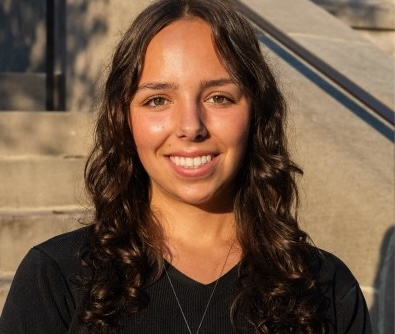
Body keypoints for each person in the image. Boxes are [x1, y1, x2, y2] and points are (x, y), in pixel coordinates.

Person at [0, 0, 371, 333]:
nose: (191, 126)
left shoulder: (323, 287)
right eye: (158, 99)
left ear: (256, 112)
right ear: (123, 119)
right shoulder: (55, 278)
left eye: (219, 97)